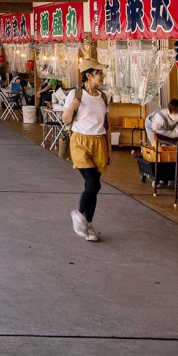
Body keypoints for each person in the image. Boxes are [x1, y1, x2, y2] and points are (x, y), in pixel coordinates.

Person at [63, 60, 110, 243]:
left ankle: (88, 225)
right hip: (80, 142)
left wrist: (109, 150)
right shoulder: (76, 95)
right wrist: (72, 107)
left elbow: (107, 124)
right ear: (89, 75)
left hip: (99, 142)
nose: (102, 76)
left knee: (92, 187)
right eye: (99, 73)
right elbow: (65, 119)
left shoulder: (103, 96)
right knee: (93, 184)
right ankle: (79, 214)